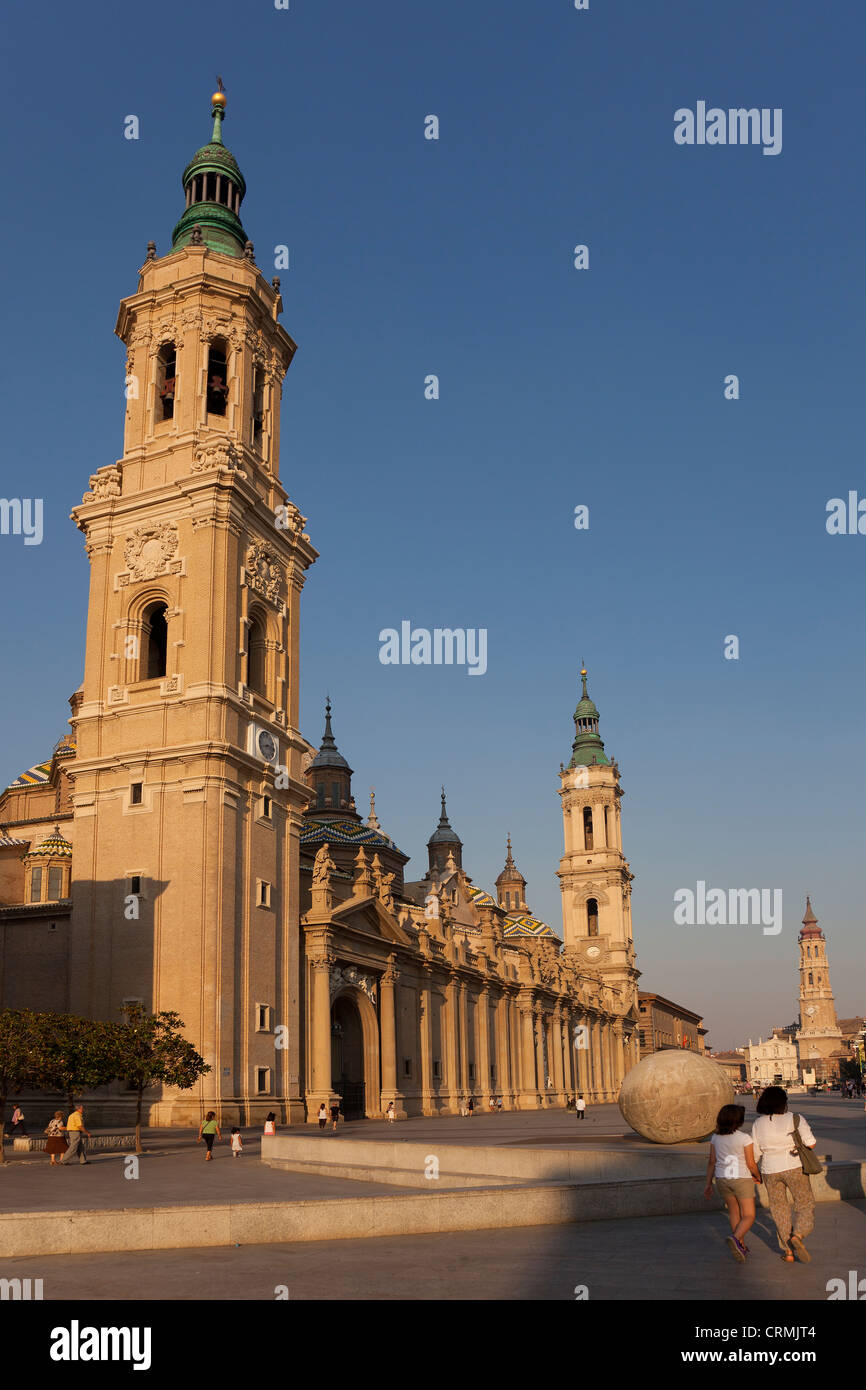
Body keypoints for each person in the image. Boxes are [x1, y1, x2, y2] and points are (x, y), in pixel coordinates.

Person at [751, 1085, 817, 1262]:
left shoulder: (758, 1123)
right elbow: (811, 1143)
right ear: (784, 1102)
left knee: (779, 1210)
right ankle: (798, 1235)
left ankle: (788, 1252)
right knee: (804, 1204)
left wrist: (754, 1173)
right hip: (794, 1166)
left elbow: (755, 1153)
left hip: (770, 1170)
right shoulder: (795, 1118)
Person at [704, 1103, 762, 1261]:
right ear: (739, 1121)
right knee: (749, 1215)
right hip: (741, 1178)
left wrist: (708, 1184)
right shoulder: (744, 1138)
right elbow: (751, 1164)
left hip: (722, 1179)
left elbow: (711, 1162)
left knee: (734, 1212)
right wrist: (758, 1176)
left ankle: (740, 1245)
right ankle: (736, 1238)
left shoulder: (715, 1138)